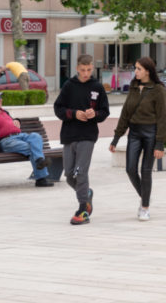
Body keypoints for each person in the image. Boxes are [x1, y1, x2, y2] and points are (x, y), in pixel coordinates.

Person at [109, 56, 166, 221]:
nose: (135, 71)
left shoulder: (158, 90)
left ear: (147, 71)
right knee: (130, 169)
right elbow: (125, 114)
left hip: (151, 133)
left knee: (146, 171)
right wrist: (116, 138)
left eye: (138, 69)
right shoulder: (133, 88)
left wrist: (160, 143)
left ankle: (145, 207)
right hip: (134, 133)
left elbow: (163, 118)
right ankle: (145, 196)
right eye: (135, 68)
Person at [54, 54, 110, 225]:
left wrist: (95, 114)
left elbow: (104, 111)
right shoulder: (69, 86)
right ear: (77, 68)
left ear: (92, 68)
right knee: (70, 174)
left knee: (81, 172)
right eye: (83, 70)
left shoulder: (97, 87)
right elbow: (58, 108)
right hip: (69, 136)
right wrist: (74, 114)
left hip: (88, 136)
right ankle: (87, 194)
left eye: (89, 70)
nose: (86, 73)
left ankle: (82, 209)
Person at [0, 90, 53, 187]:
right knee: (33, 149)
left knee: (36, 136)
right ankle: (41, 178)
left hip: (20, 136)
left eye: (0, 98)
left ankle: (39, 160)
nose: (1, 100)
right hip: (7, 141)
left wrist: (17, 120)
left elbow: (10, 122)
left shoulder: (4, 112)